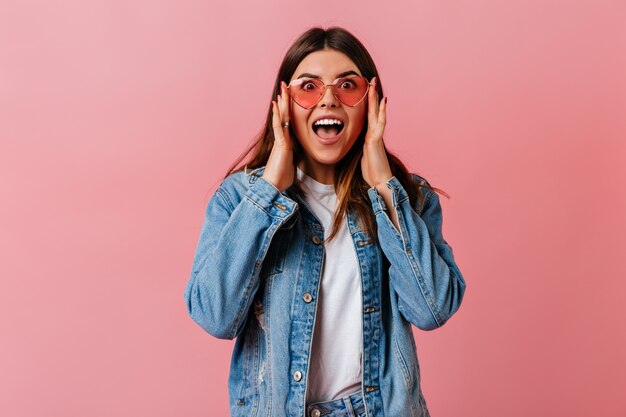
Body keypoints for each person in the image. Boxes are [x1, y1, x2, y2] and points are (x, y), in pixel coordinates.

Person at [183, 26, 467, 417]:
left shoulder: (409, 197)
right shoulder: (239, 200)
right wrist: (268, 192)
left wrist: (385, 186)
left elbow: (432, 309)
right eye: (309, 87)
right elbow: (215, 315)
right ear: (283, 103)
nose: (328, 99)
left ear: (371, 102)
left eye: (347, 86)